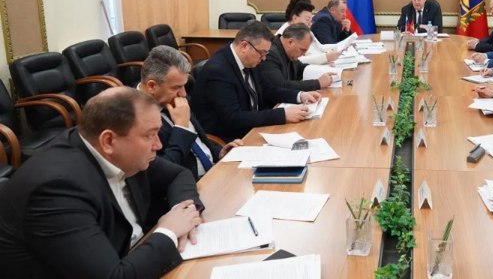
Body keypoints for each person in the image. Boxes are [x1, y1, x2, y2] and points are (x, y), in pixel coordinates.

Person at [0, 87, 204, 279]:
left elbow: (178, 174)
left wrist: (183, 213)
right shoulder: (56, 188)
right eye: (149, 135)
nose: (158, 145)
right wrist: (169, 231)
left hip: (137, 257)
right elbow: (112, 276)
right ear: (108, 141)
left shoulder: (121, 151)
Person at [192, 20, 320, 141]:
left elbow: (268, 89)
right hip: (231, 138)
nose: (264, 58)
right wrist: (282, 115)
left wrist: (300, 96)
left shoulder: (249, 60)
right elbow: (234, 118)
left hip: (253, 127)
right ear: (244, 46)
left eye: (266, 54)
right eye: (262, 53)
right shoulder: (218, 71)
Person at [139, 45, 243, 180]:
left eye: (184, 85)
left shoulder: (176, 99)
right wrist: (181, 128)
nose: (183, 93)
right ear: (152, 86)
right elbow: (161, 176)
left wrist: (220, 153)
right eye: (176, 87)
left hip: (215, 171)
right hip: (190, 184)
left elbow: (200, 140)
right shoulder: (136, 118)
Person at [259, 23, 335, 91]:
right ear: (290, 42)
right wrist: (317, 83)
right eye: (302, 50)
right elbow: (281, 86)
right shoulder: (270, 53)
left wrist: (325, 69)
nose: (303, 54)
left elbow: (301, 68)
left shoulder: (287, 51)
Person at [277, 0, 341, 65]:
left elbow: (320, 47)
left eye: (311, 20)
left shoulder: (305, 30)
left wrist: (340, 46)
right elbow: (296, 61)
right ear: (295, 18)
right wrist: (325, 57)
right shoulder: (284, 35)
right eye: (307, 20)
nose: (310, 24)